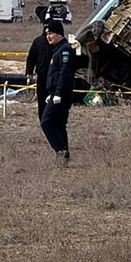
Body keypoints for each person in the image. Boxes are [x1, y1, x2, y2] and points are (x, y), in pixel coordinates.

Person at [40, 20, 75, 165]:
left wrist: (58, 93)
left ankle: (60, 150)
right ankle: (64, 156)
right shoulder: (57, 50)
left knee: (46, 122)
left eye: (51, 33)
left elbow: (64, 74)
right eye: (47, 34)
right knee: (59, 124)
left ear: (59, 34)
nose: (49, 37)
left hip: (61, 94)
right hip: (55, 92)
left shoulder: (65, 50)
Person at [25, 24, 53, 122]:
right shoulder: (38, 41)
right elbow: (31, 57)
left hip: (53, 76)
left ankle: (51, 119)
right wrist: (29, 70)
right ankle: (43, 119)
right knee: (41, 99)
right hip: (41, 76)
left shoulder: (56, 43)